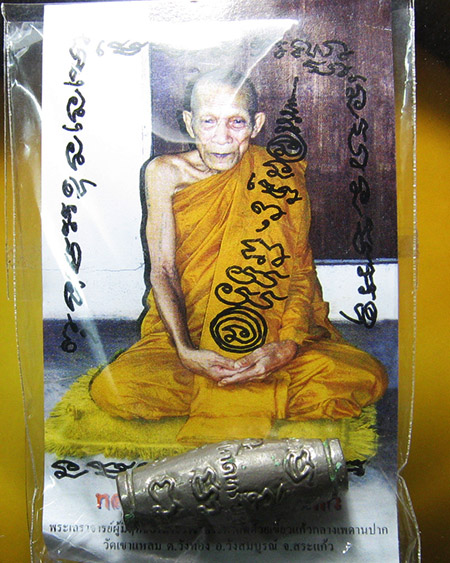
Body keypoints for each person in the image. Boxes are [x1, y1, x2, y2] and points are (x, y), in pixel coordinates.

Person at [90, 69, 387, 444]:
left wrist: (286, 346)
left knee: (368, 376)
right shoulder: (164, 173)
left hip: (270, 326)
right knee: (115, 390)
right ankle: (255, 390)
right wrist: (186, 351)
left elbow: (299, 272)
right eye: (209, 122)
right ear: (189, 123)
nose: (222, 138)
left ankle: (234, 385)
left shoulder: (280, 176)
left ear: (256, 124)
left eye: (237, 122)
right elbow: (162, 271)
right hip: (186, 328)